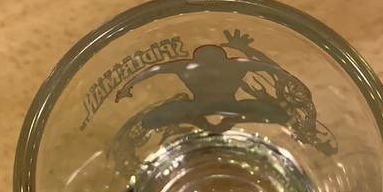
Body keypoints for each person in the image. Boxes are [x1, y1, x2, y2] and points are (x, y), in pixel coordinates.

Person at [115, 44, 290, 131]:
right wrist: (127, 87)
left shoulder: (236, 64)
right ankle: (196, 120)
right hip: (197, 108)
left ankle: (234, 119)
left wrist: (128, 87)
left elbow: (155, 69)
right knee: (149, 120)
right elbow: (155, 69)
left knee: (281, 115)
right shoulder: (235, 64)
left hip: (229, 107)